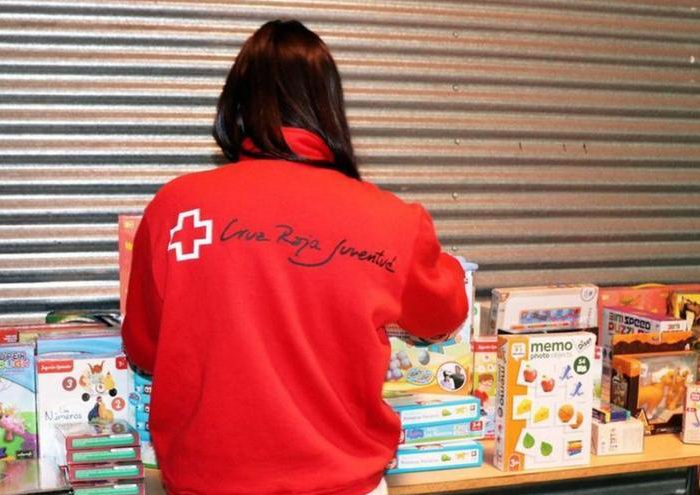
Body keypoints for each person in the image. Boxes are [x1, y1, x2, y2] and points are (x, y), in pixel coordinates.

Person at [122, 19, 468, 495]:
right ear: (328, 108)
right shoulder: (390, 219)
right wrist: (432, 260)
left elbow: (144, 349)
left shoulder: (176, 210)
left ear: (236, 104)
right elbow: (442, 317)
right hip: (343, 484)